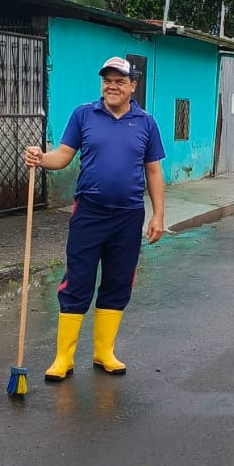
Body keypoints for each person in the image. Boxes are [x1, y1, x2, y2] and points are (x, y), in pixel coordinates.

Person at [24, 56, 166, 380]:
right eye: (107, 81)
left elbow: (154, 171)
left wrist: (158, 216)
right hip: (89, 212)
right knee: (78, 280)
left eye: (120, 81)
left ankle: (104, 353)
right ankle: (64, 358)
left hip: (128, 216)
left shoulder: (146, 123)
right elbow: (63, 156)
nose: (112, 86)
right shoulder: (83, 115)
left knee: (118, 281)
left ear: (132, 86)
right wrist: (40, 158)